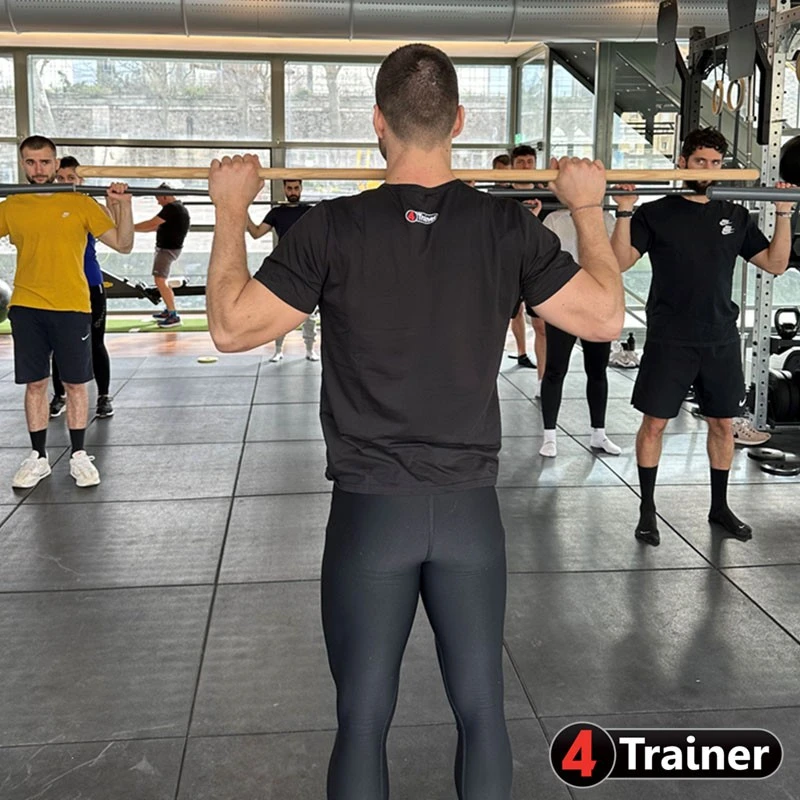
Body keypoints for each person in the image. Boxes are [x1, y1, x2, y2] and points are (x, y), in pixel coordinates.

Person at [206, 44, 623, 799]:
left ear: (377, 122)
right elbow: (604, 318)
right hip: (469, 517)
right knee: (483, 714)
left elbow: (232, 329)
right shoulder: (506, 228)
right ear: (459, 122)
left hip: (371, 516)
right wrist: (588, 209)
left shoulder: (330, 227)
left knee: (363, 721)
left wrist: (231, 211)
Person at [611, 127, 794, 546]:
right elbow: (618, 262)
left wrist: (784, 213)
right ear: (683, 162)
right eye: (700, 161)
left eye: (715, 163)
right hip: (670, 339)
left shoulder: (735, 215)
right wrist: (623, 212)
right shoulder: (655, 213)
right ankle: (647, 510)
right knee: (654, 424)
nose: (708, 169)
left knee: (723, 426)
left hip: (719, 339)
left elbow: (776, 263)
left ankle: (720, 507)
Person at [1, 135, 133, 489]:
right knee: (35, 384)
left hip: (72, 305)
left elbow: (123, 244)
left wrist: (123, 206)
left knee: (75, 384)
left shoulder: (80, 203)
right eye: (31, 162)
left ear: (56, 164)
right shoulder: (12, 205)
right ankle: (38, 457)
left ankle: (78, 455)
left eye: (45, 162)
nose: (38, 169)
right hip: (27, 306)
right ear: (22, 164)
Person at [539, 207, 622, 458]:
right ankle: (549, 436)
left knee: (597, 371)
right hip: (565, 302)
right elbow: (543, 258)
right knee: (555, 370)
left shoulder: (606, 219)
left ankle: (599, 433)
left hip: (596, 304)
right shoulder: (555, 219)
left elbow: (616, 260)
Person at [49, 155, 114, 420]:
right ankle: (60, 395)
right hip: (60, 286)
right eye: (60, 178)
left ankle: (103, 396)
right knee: (58, 345)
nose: (65, 182)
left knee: (95, 343)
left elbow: (115, 231)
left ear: (81, 180)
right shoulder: (49, 206)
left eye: (71, 178)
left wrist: (115, 201)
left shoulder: (90, 206)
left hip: (90, 283)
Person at [247, 179, 318, 362]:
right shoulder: (277, 213)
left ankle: (310, 350)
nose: (293, 191)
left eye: (296, 188)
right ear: (284, 189)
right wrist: (241, 210)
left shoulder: (310, 212)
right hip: (284, 267)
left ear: (301, 188)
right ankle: (278, 350)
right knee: (279, 311)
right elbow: (256, 233)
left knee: (309, 314)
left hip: (307, 269)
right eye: (289, 188)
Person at [510, 144, 547, 391]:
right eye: (520, 162)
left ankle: (543, 381)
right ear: (513, 165)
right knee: (501, 320)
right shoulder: (498, 196)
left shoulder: (548, 197)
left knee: (541, 325)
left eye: (529, 162)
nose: (525, 166)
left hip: (537, 268)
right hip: (509, 267)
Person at [134, 183, 190, 329]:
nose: (158, 202)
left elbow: (151, 223)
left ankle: (173, 315)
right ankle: (169, 310)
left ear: (165, 196)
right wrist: (132, 230)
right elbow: (154, 227)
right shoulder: (178, 208)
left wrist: (129, 228)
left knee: (160, 280)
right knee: (161, 280)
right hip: (169, 249)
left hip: (167, 250)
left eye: (158, 199)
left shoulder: (172, 209)